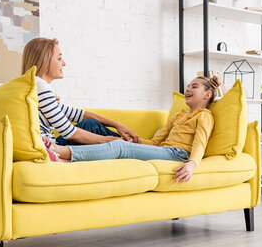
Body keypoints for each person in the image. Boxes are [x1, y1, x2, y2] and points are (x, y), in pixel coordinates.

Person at [51, 75, 221, 183]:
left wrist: (192, 163)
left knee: (120, 146)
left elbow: (200, 143)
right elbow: (155, 142)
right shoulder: (178, 116)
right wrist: (136, 141)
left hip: (178, 154)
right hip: (162, 150)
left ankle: (61, 153)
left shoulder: (204, 115)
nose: (188, 89)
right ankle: (49, 149)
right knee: (91, 126)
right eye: (188, 86)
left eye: (194, 86)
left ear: (208, 95)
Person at [22, 37, 139, 146]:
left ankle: (138, 145)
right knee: (92, 126)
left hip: (51, 146)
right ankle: (138, 146)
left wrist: (116, 124)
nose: (64, 63)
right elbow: (69, 133)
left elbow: (77, 114)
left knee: (90, 123)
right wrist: (111, 141)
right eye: (59, 58)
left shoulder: (35, 86)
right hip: (51, 149)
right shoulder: (40, 86)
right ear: (45, 61)